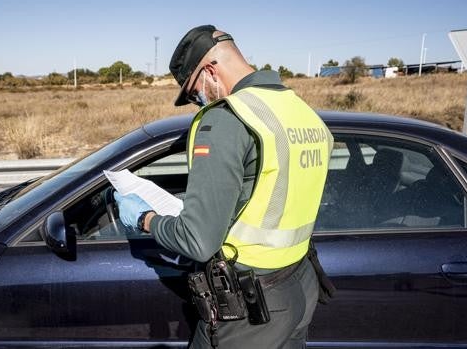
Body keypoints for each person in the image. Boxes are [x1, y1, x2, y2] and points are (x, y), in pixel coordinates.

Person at [115, 25, 333, 349]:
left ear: (210, 71)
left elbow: (198, 242)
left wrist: (145, 218)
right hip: (300, 284)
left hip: (251, 306)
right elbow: (267, 188)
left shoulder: (228, 119)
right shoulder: (298, 110)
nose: (196, 102)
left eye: (192, 92)